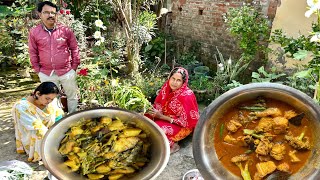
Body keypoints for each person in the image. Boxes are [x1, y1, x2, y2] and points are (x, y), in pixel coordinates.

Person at [28, 1, 80, 113]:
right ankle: (58, 122)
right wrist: (38, 70)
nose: (50, 15)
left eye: (53, 13)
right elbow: (32, 52)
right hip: (46, 73)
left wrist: (74, 67)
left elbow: (74, 48)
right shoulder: (34, 32)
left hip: (66, 71)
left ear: (57, 14)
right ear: (40, 14)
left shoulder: (65, 31)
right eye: (46, 12)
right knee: (52, 99)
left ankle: (73, 120)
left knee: (72, 96)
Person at [146, 67, 199, 153]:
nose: (174, 82)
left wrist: (160, 116)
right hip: (165, 116)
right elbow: (158, 105)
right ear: (169, 78)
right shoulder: (166, 88)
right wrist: (154, 112)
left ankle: (173, 146)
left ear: (183, 82)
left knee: (158, 130)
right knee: (145, 117)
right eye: (173, 78)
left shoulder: (187, 96)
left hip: (181, 125)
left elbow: (186, 122)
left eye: (178, 80)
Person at [12, 82, 64, 162]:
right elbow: (36, 127)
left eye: (52, 99)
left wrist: (59, 128)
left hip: (48, 130)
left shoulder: (52, 102)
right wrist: (53, 136)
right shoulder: (22, 107)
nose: (49, 101)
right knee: (42, 134)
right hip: (34, 132)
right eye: (47, 98)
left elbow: (58, 115)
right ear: (38, 94)